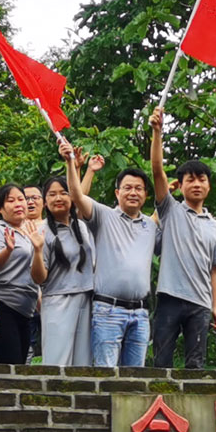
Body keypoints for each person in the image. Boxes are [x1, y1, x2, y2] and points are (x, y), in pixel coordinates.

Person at [69, 143, 158, 367]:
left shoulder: (151, 225)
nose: (133, 192)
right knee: (106, 377)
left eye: (138, 188)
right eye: (127, 188)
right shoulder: (104, 215)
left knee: (136, 379)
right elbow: (76, 197)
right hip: (108, 310)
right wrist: (72, 164)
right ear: (117, 193)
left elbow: (165, 207)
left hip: (140, 312)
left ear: (146, 195)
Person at [148, 107, 216, 368]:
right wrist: (158, 133)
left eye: (202, 180)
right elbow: (157, 170)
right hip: (169, 296)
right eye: (190, 180)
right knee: (162, 363)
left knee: (196, 365)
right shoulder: (170, 210)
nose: (196, 184)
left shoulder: (215, 227)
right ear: (179, 186)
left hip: (201, 303)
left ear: (209, 186)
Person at [33, 173, 94, 366]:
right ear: (45, 201)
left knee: (83, 364)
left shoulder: (83, 228)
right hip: (58, 301)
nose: (58, 198)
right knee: (57, 363)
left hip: (86, 299)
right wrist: (37, 250)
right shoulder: (42, 231)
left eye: (64, 193)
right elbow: (39, 278)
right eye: (52, 194)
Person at [0, 183, 40, 365]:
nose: (18, 204)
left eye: (21, 199)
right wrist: (8, 250)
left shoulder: (28, 233)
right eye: (11, 200)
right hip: (4, 306)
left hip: (26, 310)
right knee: (11, 366)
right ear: (0, 208)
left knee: (21, 366)